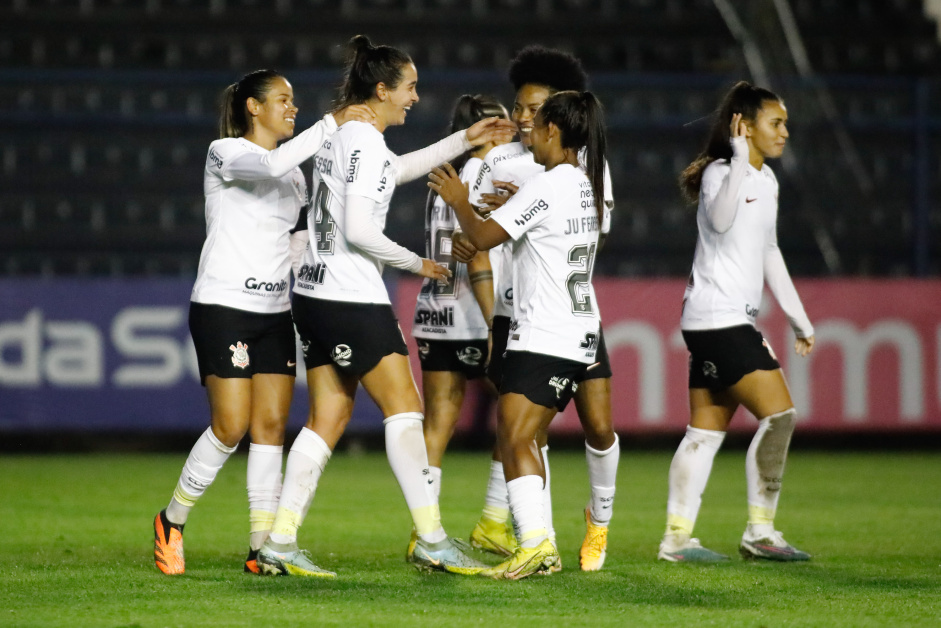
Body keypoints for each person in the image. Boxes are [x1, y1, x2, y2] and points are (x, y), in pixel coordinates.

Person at [254, 35, 515, 578]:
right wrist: (416, 263)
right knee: (406, 409)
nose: (414, 98)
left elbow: (396, 170)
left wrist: (463, 138)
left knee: (328, 416)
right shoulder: (365, 143)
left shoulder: (341, 136)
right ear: (382, 89)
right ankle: (432, 538)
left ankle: (279, 542)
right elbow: (359, 228)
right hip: (352, 297)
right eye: (409, 87)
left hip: (314, 293)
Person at [153, 69, 374, 576]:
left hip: (274, 312)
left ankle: (261, 547)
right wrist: (333, 122)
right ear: (253, 107)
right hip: (223, 306)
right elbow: (271, 162)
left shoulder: (295, 175)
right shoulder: (226, 153)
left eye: (294, 100)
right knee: (230, 426)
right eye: (282, 99)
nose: (291, 107)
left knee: (271, 427)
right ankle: (172, 520)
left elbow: (290, 240)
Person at [429, 89, 608, 579]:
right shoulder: (584, 184)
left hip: (545, 333)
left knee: (515, 434)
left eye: (538, 127)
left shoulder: (550, 183)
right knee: (519, 435)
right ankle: (537, 545)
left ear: (555, 130)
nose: (531, 135)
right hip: (575, 331)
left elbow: (481, 240)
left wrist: (461, 202)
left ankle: (536, 545)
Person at [657, 81, 815, 563]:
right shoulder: (720, 174)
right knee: (781, 415)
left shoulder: (767, 182)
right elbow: (723, 221)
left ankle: (677, 539)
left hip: (716, 320)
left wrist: (798, 318)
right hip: (719, 320)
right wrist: (741, 160)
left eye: (785, 122)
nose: (785, 131)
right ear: (744, 127)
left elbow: (768, 252)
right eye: (776, 122)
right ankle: (760, 531)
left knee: (705, 431)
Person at [412, 94, 511, 550]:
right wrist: (494, 321)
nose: (513, 132)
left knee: (437, 425)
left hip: (435, 312)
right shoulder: (483, 175)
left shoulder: (445, 180)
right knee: (520, 414)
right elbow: (478, 254)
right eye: (505, 124)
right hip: (474, 314)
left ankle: (424, 531)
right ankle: (494, 521)